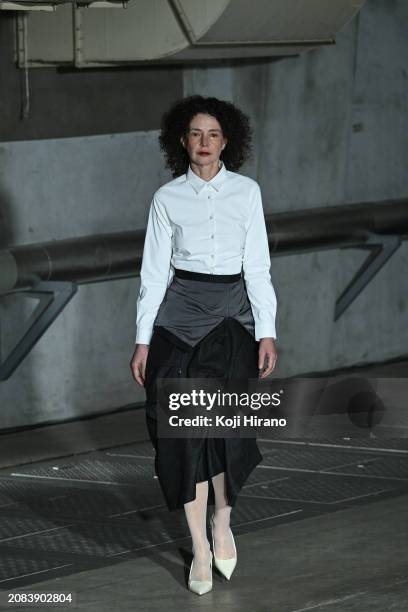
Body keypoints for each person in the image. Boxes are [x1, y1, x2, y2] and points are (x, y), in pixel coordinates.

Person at [130, 95, 277, 595]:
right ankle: (198, 545)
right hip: (178, 324)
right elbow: (153, 274)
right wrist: (142, 340)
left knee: (227, 432)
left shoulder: (247, 193)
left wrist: (267, 329)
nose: (205, 143)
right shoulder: (166, 198)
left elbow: (257, 265)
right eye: (196, 133)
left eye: (213, 134)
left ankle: (221, 524)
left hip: (234, 320)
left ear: (227, 141)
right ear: (182, 141)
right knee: (183, 435)